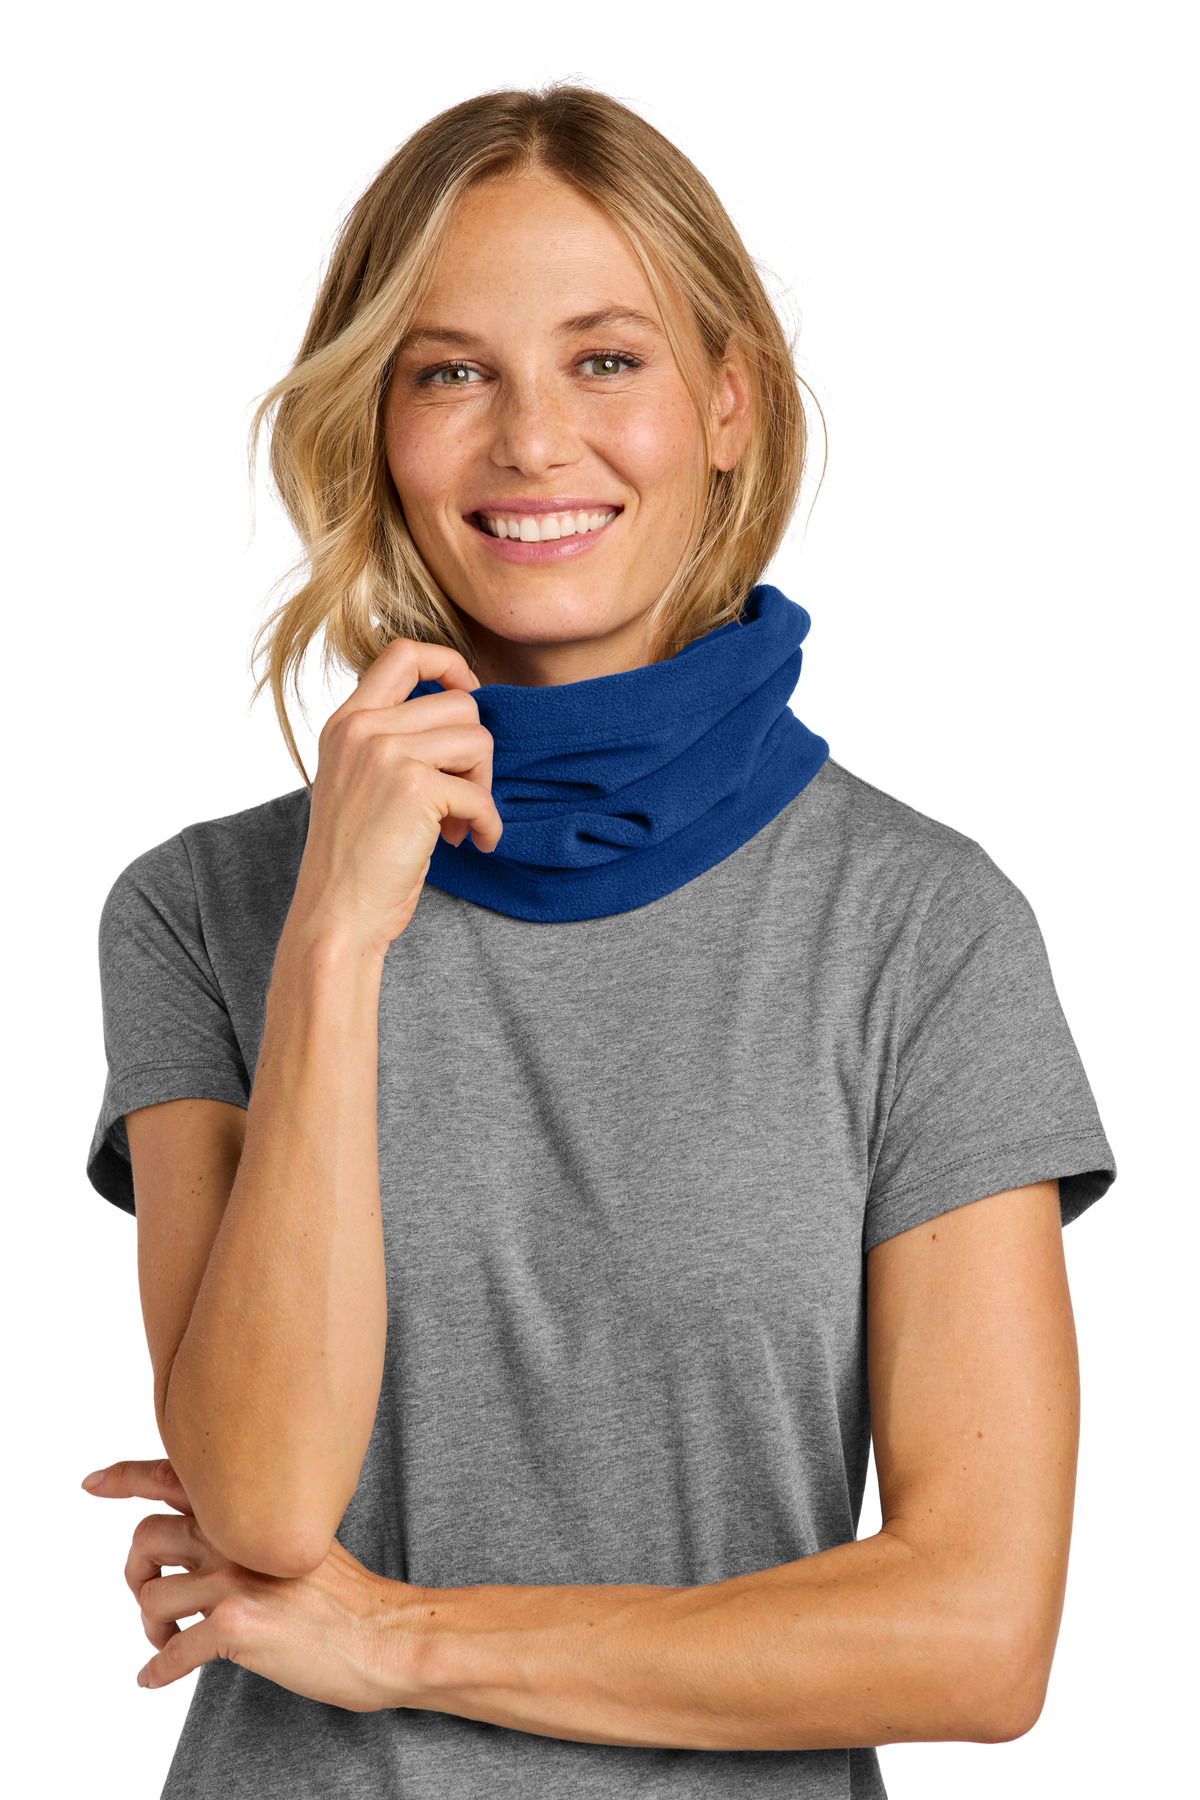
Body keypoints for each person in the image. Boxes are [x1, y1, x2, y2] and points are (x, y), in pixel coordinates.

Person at [82, 85, 1115, 1800]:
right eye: (451, 372)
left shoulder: (922, 931)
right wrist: (334, 940)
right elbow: (263, 1503)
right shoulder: (203, 912)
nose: (533, 442)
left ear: (729, 404)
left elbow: (976, 1635)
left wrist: (402, 1639)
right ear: (378, 426)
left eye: (608, 360)